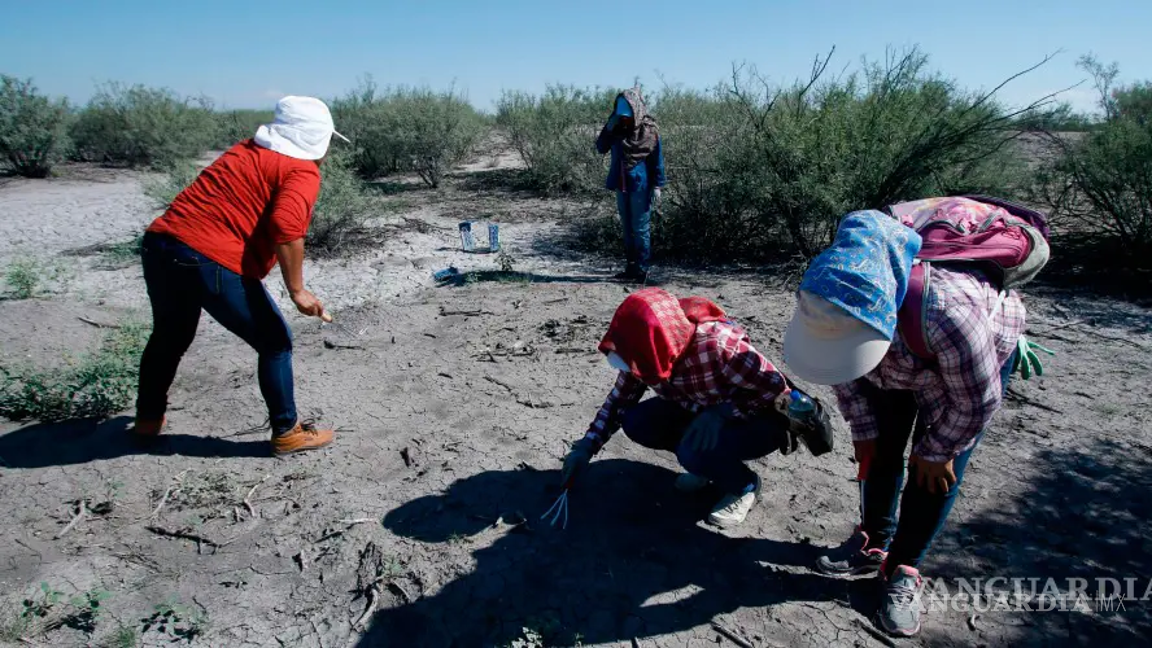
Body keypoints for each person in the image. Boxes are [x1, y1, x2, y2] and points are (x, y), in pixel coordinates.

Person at [782, 210, 1024, 637]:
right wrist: (863, 429)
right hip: (895, 361)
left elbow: (979, 399)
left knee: (932, 475)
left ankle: (903, 568)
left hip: (959, 374)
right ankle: (873, 540)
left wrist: (937, 450)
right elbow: (837, 368)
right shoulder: (827, 294)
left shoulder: (948, 314)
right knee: (880, 451)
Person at [132, 96, 350, 455]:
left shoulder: (245, 150)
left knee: (169, 335)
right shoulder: (301, 170)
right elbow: (287, 227)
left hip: (160, 245)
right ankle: (287, 431)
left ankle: (148, 419)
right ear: (315, 138)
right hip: (207, 258)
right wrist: (297, 290)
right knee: (275, 342)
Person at [561, 287, 800, 528]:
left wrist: (721, 413)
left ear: (656, 344)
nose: (635, 370)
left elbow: (779, 390)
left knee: (691, 451)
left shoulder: (719, 346)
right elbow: (619, 401)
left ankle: (744, 485)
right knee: (637, 421)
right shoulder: (644, 349)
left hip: (759, 419)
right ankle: (707, 466)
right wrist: (587, 446)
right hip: (702, 409)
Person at [595, 88, 666, 283]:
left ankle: (642, 270)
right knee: (627, 228)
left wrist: (657, 185)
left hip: (640, 186)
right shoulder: (616, 129)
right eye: (621, 115)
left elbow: (657, 160)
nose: (624, 119)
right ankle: (631, 267)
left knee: (640, 228)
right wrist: (609, 127)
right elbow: (601, 148)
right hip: (621, 184)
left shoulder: (649, 131)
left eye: (627, 115)